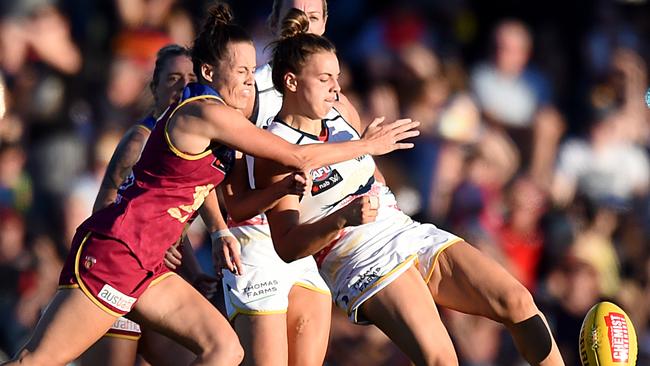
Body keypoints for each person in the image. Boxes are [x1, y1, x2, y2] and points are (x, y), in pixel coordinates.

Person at [3, 3, 418, 365]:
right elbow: (296, 155)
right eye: (240, 71)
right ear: (208, 72)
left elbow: (214, 192)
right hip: (117, 252)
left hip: (149, 263)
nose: (248, 81)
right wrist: (367, 145)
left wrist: (222, 228)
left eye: (250, 71)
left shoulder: (219, 121)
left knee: (224, 350)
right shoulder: (205, 112)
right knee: (36, 360)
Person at [255, 10, 565, 366]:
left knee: (517, 302)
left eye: (337, 77)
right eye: (325, 79)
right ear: (292, 82)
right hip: (359, 259)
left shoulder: (342, 113)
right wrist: (341, 218)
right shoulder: (277, 148)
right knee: (441, 359)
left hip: (402, 230)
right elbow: (288, 245)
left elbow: (370, 176)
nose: (336, 88)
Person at [80, 44, 202, 366]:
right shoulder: (142, 139)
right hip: (117, 273)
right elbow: (105, 208)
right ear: (155, 88)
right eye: (173, 78)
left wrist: (196, 272)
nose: (183, 86)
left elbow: (170, 224)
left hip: (154, 280)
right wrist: (149, 247)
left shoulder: (191, 144)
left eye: (191, 77)